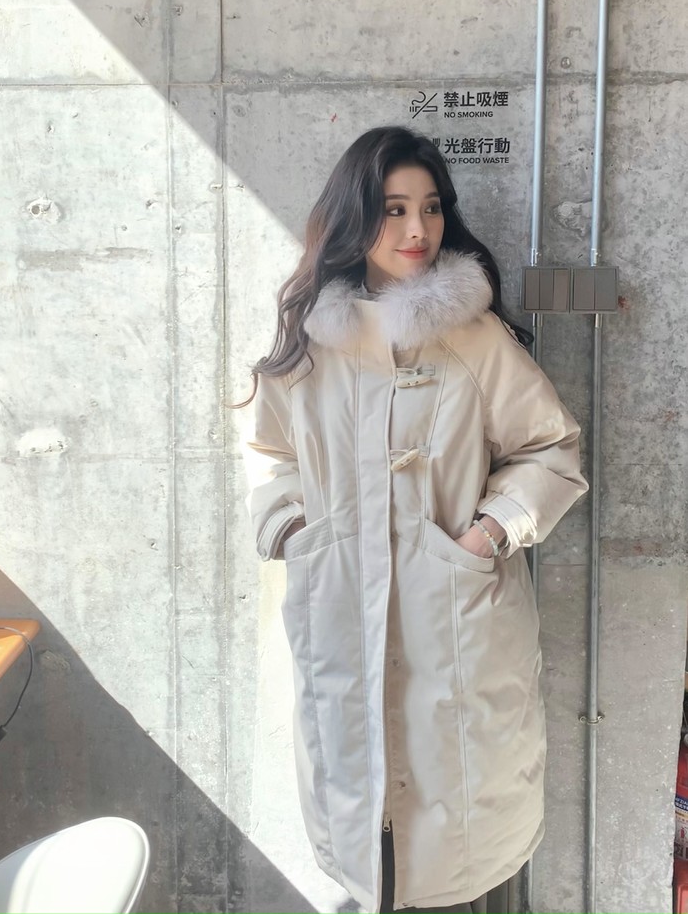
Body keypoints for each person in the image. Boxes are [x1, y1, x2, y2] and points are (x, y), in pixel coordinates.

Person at [242, 126, 588, 914]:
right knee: (363, 805)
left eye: (430, 207)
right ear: (355, 215)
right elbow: (268, 450)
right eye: (394, 208)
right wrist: (295, 531)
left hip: (456, 616)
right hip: (338, 600)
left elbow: (552, 448)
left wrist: (485, 535)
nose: (417, 229)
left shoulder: (471, 336)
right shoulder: (311, 340)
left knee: (454, 805)